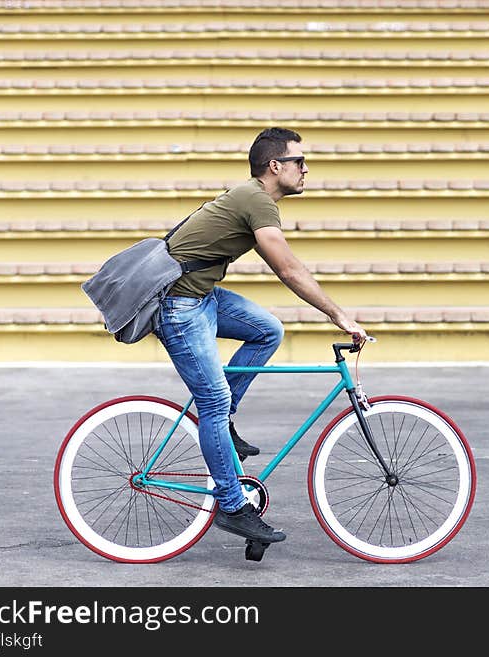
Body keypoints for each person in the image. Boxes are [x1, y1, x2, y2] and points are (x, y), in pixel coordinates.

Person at [155, 127, 367, 546]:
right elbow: (288, 269)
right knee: (211, 401)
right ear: (275, 166)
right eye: (299, 161)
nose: (306, 169)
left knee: (266, 330)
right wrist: (339, 315)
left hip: (201, 297)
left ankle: (223, 421)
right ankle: (232, 507)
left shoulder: (251, 198)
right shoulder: (256, 200)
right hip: (179, 306)